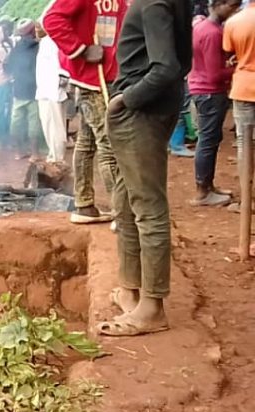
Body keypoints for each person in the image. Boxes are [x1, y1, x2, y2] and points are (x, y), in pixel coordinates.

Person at [101, 0, 192, 336]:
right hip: (153, 109)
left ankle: (152, 307)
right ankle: (130, 290)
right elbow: (183, 62)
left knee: (148, 208)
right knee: (125, 201)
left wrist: (126, 99)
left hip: (140, 113)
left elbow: (167, 67)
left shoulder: (153, 2)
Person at [43, 0, 126, 224]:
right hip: (94, 79)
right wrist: (81, 50)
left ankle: (84, 204)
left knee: (87, 143)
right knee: (110, 143)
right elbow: (51, 19)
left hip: (106, 76)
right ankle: (123, 215)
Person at [190, 0, 242, 207]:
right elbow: (214, 74)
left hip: (201, 89)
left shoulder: (202, 26)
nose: (235, 10)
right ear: (219, 5)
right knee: (208, 141)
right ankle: (203, 191)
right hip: (209, 92)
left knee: (209, 139)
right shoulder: (213, 33)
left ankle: (208, 186)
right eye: (232, 6)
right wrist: (238, 69)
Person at [225, 0, 255, 255]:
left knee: (245, 145)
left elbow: (229, 51)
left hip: (244, 85)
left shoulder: (235, 22)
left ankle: (247, 195)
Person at [7, 20, 43, 160]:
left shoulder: (15, 49)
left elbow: (8, 68)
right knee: (33, 123)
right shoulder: (38, 47)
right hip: (33, 90)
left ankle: (19, 151)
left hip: (18, 90)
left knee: (16, 122)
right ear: (32, 31)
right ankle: (34, 153)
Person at [36, 24, 69, 165]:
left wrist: (64, 80)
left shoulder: (56, 41)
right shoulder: (45, 42)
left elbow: (63, 66)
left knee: (56, 127)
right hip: (44, 89)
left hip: (54, 89)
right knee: (48, 125)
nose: (37, 31)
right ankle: (53, 156)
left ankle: (58, 159)